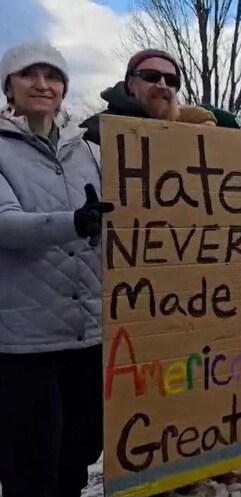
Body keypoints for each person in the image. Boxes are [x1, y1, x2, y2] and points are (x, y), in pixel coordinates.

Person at [0, 41, 114, 497]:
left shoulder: (89, 152)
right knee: (31, 469)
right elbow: (5, 224)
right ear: (9, 86)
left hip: (87, 334)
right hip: (25, 344)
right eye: (29, 74)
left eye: (53, 76)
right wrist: (74, 223)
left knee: (77, 456)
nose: (42, 85)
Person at [81, 49, 239, 144]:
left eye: (171, 80)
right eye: (150, 76)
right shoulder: (94, 132)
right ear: (130, 84)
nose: (162, 85)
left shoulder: (193, 127)